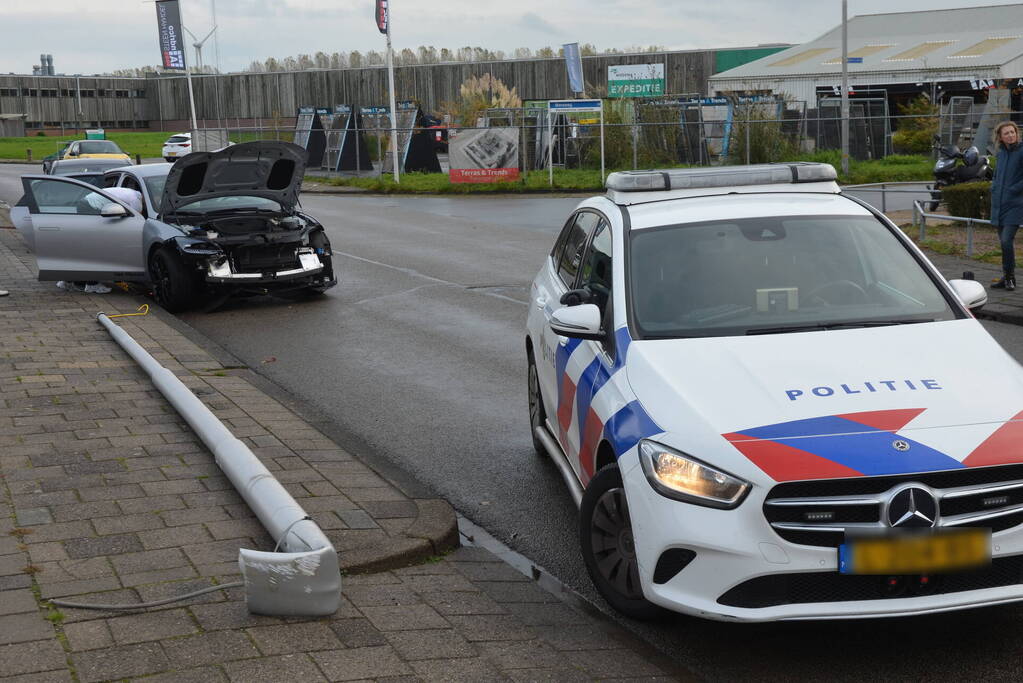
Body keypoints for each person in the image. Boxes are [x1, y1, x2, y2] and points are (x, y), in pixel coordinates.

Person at [990, 120, 1023, 290]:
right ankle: (1006, 276)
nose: (1010, 135)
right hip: (998, 205)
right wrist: (994, 188)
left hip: (1016, 204)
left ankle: (1010, 278)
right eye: (1006, 133)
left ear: (1017, 133)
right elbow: (996, 176)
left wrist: (1013, 190)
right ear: (1000, 137)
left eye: (1013, 132)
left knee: (1006, 241)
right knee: (1003, 244)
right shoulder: (1001, 153)